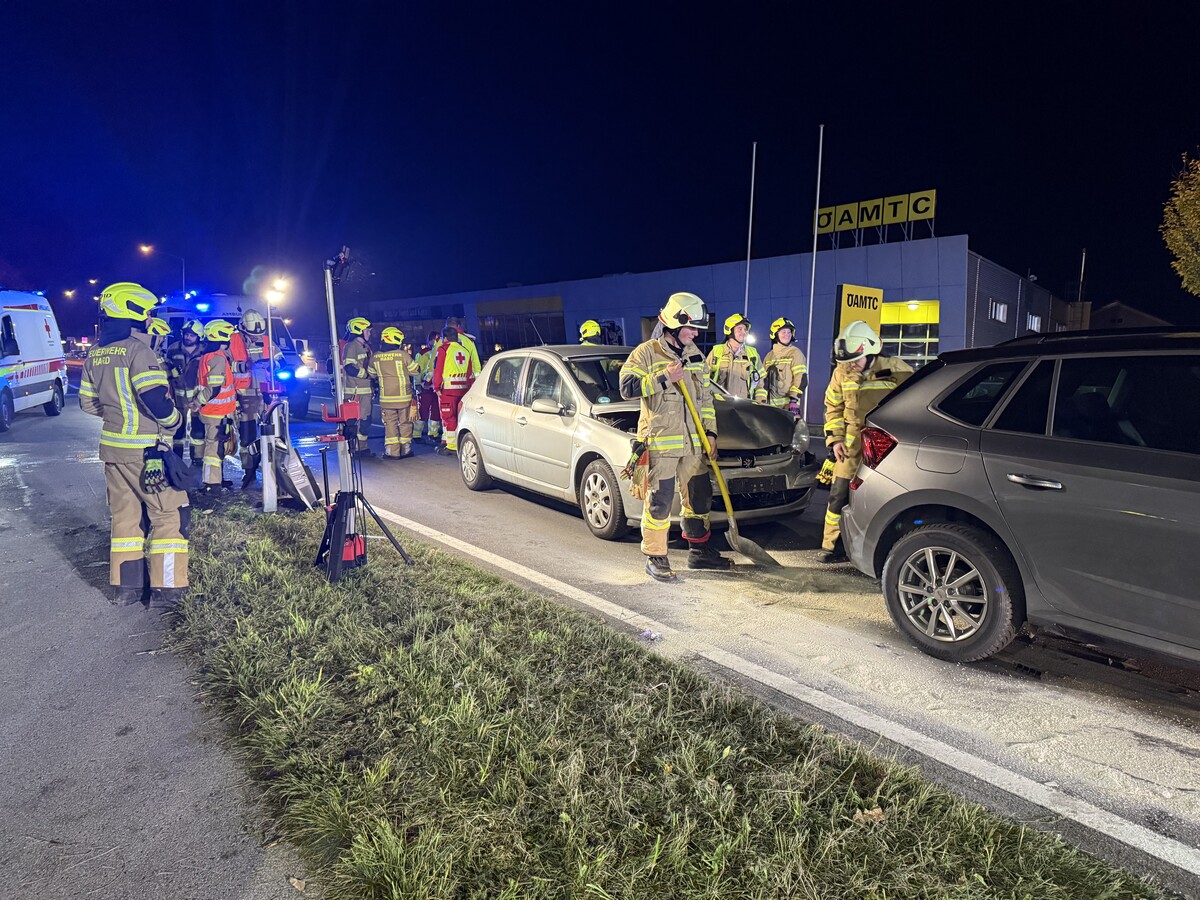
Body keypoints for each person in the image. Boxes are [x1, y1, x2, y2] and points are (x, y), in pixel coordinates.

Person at [78, 283, 189, 610]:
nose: (149, 318)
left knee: (125, 520)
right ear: (135, 313)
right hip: (147, 451)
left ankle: (126, 591)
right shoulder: (139, 351)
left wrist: (116, 417)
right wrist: (173, 421)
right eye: (147, 312)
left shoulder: (95, 353)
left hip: (113, 451)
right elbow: (154, 398)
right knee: (169, 517)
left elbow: (87, 404)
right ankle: (167, 590)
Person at [620, 292, 731, 582]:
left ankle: (699, 551)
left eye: (697, 329)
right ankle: (656, 557)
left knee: (699, 496)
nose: (695, 334)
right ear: (672, 322)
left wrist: (710, 433)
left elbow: (705, 398)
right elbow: (627, 387)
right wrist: (664, 377)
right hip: (661, 445)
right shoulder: (646, 353)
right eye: (691, 328)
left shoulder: (696, 356)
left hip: (694, 444)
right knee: (660, 500)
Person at [820, 320, 913, 563]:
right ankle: (833, 546)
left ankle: (883, 549)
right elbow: (833, 408)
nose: (850, 366)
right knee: (838, 496)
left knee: (881, 497)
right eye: (846, 362)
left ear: (870, 350)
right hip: (850, 448)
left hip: (884, 448)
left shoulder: (897, 369)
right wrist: (835, 440)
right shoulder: (841, 374)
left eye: (855, 360)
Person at [229, 309, 281, 487]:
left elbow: (279, 358)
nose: (256, 338)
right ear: (243, 330)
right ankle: (249, 470)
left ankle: (275, 468)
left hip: (267, 393)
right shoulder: (233, 340)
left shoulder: (267, 339)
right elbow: (226, 364)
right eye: (252, 335)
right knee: (247, 435)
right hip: (244, 395)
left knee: (275, 431)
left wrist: (276, 365)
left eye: (258, 334)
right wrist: (244, 366)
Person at [195, 320, 238, 491]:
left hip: (214, 411)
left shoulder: (207, 356)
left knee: (218, 446)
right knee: (213, 448)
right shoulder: (218, 358)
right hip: (216, 412)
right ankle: (211, 483)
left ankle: (216, 479)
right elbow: (214, 388)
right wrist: (199, 401)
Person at [370, 326, 421, 459]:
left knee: (390, 424)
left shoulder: (376, 357)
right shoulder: (402, 355)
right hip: (404, 397)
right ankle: (406, 450)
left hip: (386, 399)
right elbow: (416, 370)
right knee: (405, 423)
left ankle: (392, 452)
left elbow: (371, 374)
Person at [432, 322, 479, 455]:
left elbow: (438, 369)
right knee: (459, 418)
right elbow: (470, 372)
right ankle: (451, 442)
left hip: (448, 391)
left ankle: (452, 447)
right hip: (463, 390)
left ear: (445, 338)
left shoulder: (444, 349)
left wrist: (436, 387)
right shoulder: (464, 350)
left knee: (449, 418)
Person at [164, 319, 207, 459]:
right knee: (178, 431)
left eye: (192, 335)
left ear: (199, 337)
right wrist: (171, 373)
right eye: (186, 334)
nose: (187, 337)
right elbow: (165, 368)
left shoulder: (205, 351)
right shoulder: (173, 348)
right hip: (178, 398)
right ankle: (177, 459)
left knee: (198, 432)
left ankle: (197, 459)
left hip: (198, 397)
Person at [707, 313, 767, 402]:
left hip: (743, 407)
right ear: (730, 331)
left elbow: (760, 384)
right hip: (720, 406)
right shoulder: (716, 352)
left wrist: (760, 403)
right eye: (740, 329)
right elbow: (704, 378)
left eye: (745, 329)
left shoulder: (752, 354)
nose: (744, 332)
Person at [341, 317, 375, 455]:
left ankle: (362, 447)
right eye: (367, 330)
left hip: (366, 390)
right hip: (355, 391)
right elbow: (349, 367)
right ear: (359, 330)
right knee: (354, 421)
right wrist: (366, 375)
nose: (369, 333)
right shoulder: (351, 346)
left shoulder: (366, 347)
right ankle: (354, 448)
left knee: (366, 420)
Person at [763, 317, 808, 416]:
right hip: (769, 408)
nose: (787, 335)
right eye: (783, 332)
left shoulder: (795, 353)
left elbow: (801, 378)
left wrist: (794, 400)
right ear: (775, 334)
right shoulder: (769, 356)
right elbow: (762, 381)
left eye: (789, 332)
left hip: (788, 408)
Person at [413, 330, 442, 443]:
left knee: (435, 411)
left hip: (435, 387)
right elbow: (417, 370)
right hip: (425, 387)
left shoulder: (440, 352)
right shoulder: (422, 353)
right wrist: (417, 385)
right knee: (422, 411)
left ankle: (433, 434)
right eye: (435, 339)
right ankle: (416, 434)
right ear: (430, 340)